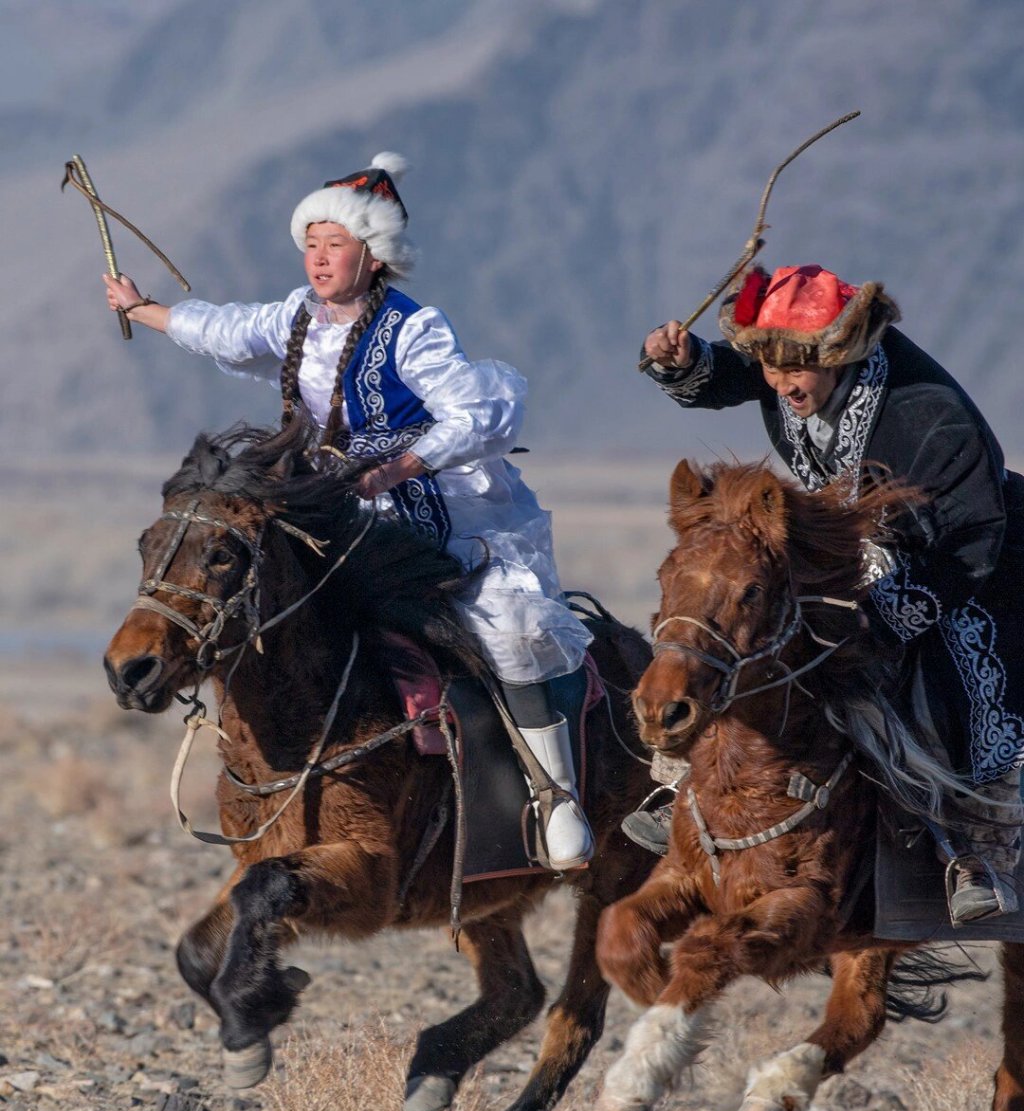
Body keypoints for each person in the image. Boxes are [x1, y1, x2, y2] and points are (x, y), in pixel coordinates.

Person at [103, 151, 594, 872]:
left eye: (335, 244)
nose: (319, 258)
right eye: (311, 243)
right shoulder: (296, 318)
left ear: (374, 254)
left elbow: (482, 408)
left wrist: (404, 462)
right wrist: (141, 308)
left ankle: (557, 797)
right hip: (344, 514)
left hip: (442, 513)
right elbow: (227, 330)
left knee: (511, 633)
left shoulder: (413, 329)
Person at [627, 261, 1024, 924]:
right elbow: (728, 375)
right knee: (762, 625)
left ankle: (978, 851)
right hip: (871, 543)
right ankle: (693, 784)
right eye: (773, 371)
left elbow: (972, 541)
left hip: (980, 563)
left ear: (841, 355)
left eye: (795, 373)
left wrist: (883, 617)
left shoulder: (931, 415)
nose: (781, 385)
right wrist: (681, 358)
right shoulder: (790, 372)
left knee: (952, 671)